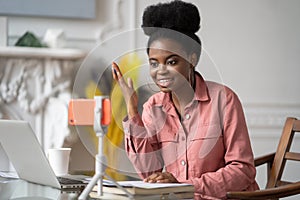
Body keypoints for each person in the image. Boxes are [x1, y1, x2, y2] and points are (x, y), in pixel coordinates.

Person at [112, 0, 259, 199]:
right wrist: (132, 109)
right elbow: (149, 173)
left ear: (192, 59)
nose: (161, 71)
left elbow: (242, 170)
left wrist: (184, 185)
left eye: (172, 61)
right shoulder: (153, 107)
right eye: (154, 63)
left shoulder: (224, 100)